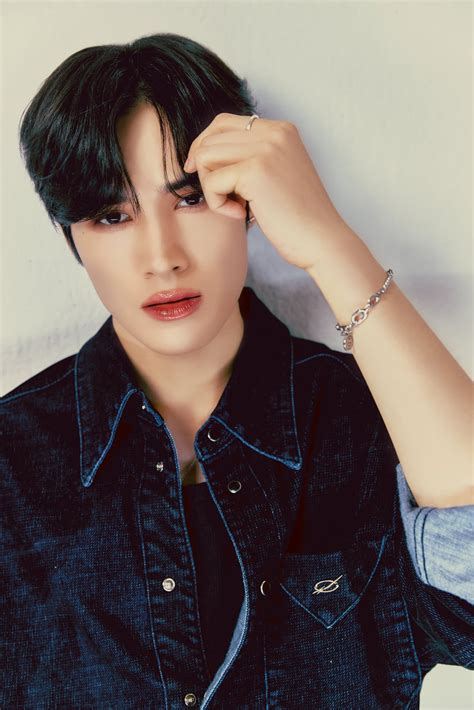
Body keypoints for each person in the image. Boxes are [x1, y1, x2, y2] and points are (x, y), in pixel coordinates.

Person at [1, 32, 472, 709]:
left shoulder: (369, 418)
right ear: (70, 233)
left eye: (190, 198)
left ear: (249, 198)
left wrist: (328, 244)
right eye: (112, 215)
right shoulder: (14, 463)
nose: (162, 256)